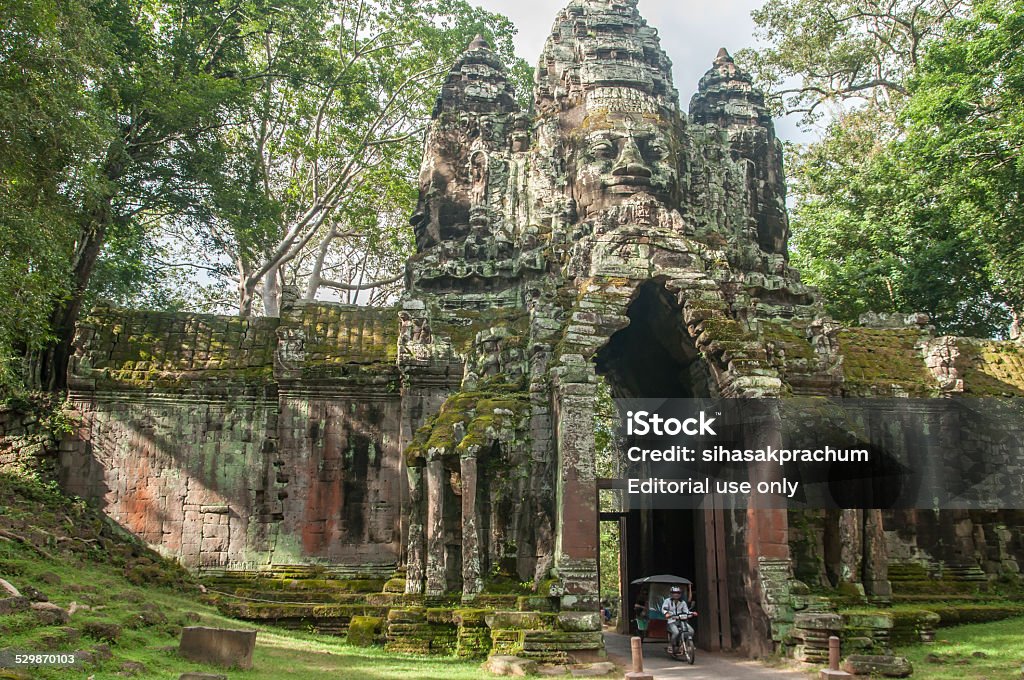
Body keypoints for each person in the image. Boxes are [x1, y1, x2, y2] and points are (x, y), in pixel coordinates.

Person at [661, 585, 692, 654]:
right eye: (674, 593)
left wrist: (691, 613)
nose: (676, 594)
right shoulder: (667, 601)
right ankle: (671, 645)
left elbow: (686, 611)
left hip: (681, 621)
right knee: (676, 632)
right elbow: (664, 609)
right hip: (671, 621)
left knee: (691, 631)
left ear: (680, 594)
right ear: (671, 594)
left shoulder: (683, 602)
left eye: (678, 593)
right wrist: (666, 613)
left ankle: (683, 645)